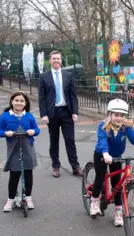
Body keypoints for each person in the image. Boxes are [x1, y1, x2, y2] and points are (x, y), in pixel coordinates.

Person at [90, 99, 134, 227]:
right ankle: (94, 202)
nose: (119, 118)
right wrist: (105, 153)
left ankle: (118, 211)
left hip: (116, 156)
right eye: (116, 115)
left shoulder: (126, 127)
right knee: (100, 177)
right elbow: (102, 141)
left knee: (117, 184)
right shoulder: (103, 126)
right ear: (110, 114)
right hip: (102, 155)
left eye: (122, 115)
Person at [38, 50, 83, 178]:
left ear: (61, 60)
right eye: (53, 59)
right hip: (52, 113)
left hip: (66, 112)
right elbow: (41, 97)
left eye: (58, 58)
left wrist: (75, 112)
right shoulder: (44, 77)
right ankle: (56, 166)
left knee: (70, 140)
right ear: (50, 61)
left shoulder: (68, 75)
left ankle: (75, 166)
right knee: (54, 140)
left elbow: (73, 95)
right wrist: (43, 114)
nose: (56, 61)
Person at [0, 92, 40, 212]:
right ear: (11, 102)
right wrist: (6, 133)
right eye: (16, 100)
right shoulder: (5, 116)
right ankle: (11, 200)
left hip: (27, 147)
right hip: (13, 147)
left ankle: (28, 198)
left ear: (25, 103)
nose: (19, 103)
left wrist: (32, 131)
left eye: (21, 101)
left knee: (28, 174)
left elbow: (37, 129)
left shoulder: (29, 116)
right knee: (14, 175)